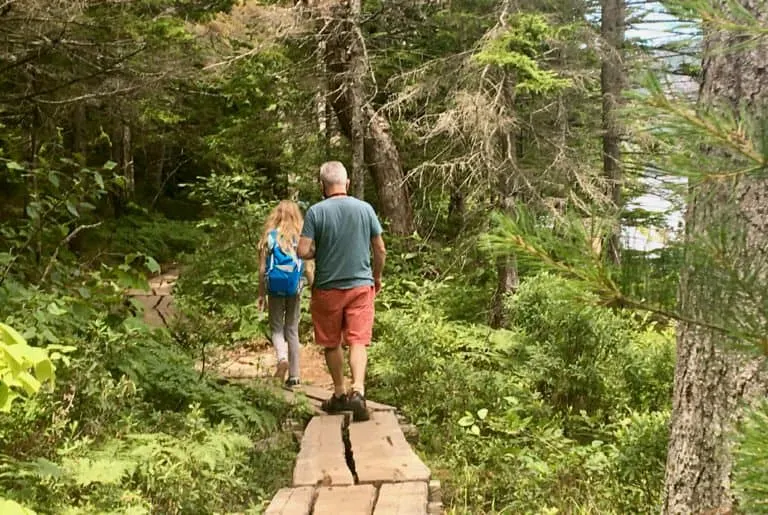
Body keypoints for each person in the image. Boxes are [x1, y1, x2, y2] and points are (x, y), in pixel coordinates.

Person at [297, 161, 386, 422]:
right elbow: (380, 249)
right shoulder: (365, 209)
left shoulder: (316, 212)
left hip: (327, 288)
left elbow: (303, 251)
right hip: (360, 285)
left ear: (322, 186)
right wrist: (376, 277)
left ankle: (339, 394)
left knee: (332, 342)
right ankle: (358, 391)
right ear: (346, 183)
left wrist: (318, 251)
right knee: (358, 340)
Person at [258, 200, 314, 388]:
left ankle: (282, 359)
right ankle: (295, 376)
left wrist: (260, 293)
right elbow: (307, 268)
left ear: (277, 214)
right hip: (294, 288)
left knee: (276, 327)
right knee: (292, 329)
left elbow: (261, 269)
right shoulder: (300, 238)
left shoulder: (270, 237)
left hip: (274, 287)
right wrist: (313, 289)